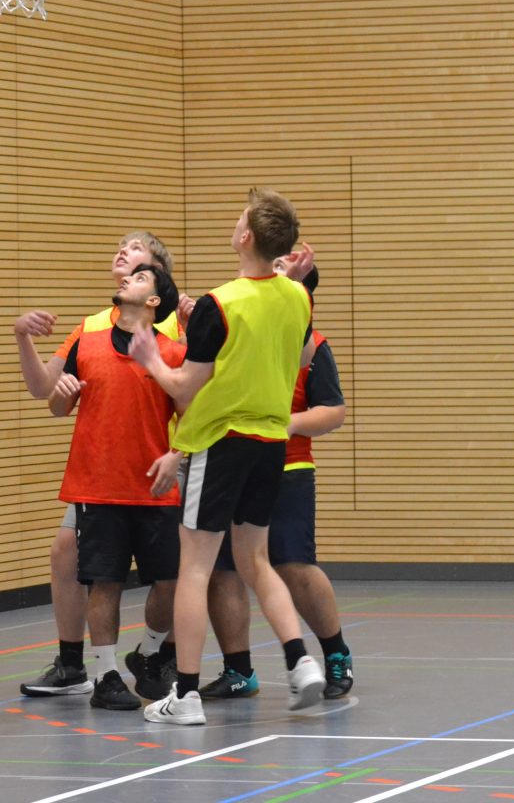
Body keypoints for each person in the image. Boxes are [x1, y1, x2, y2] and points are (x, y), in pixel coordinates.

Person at [130, 188, 325, 726]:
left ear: (245, 237)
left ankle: (186, 695)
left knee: (194, 569)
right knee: (255, 561)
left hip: (220, 442)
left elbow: (182, 385)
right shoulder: (297, 297)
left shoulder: (220, 304)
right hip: (271, 444)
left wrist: (150, 358)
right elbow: (303, 355)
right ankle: (300, 661)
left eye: (239, 218)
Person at [14, 232, 182, 699]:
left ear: (156, 279)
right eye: (122, 246)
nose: (123, 252)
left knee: (175, 575)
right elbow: (50, 396)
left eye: (137, 250)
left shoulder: (175, 328)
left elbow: (193, 403)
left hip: (163, 469)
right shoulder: (89, 331)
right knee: (82, 564)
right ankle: (84, 667)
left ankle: (158, 655)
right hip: (102, 476)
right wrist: (24, 339)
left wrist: (179, 454)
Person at [201, 261, 353, 703]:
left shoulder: (313, 345)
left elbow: (333, 412)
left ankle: (336, 653)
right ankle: (238, 669)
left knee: (292, 563)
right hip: (229, 462)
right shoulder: (237, 330)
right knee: (221, 569)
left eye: (285, 269)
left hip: (287, 467)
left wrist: (285, 424)